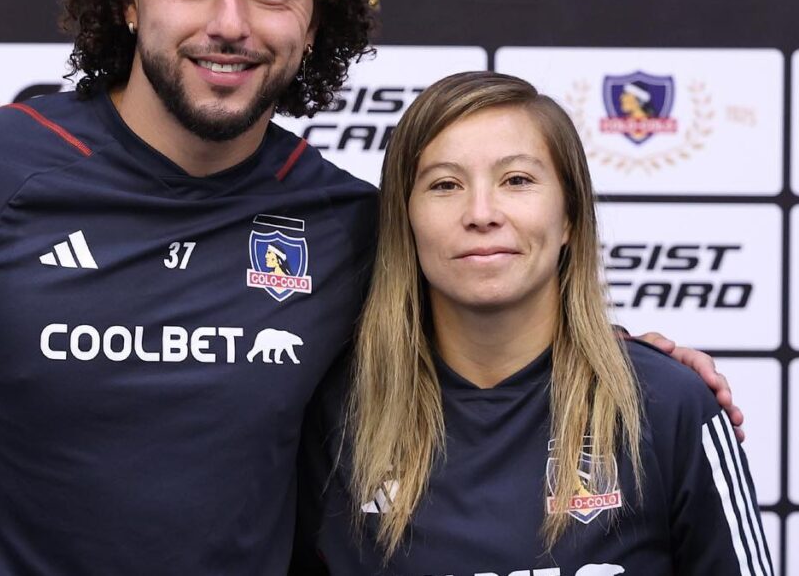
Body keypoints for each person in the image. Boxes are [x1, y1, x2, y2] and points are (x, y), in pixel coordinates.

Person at [0, 0, 738, 573]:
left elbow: (491, 314)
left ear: (314, 21)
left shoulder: (354, 224)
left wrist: (633, 359)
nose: (230, 23)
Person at [300, 72, 771, 575]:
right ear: (405, 220)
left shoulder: (668, 405)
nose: (481, 213)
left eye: (517, 180)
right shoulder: (334, 412)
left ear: (569, 216)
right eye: (445, 185)